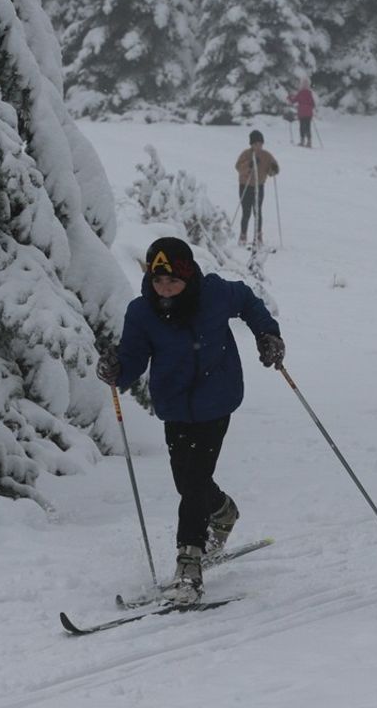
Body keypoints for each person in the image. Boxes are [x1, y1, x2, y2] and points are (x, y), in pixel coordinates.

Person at [96, 237, 285, 604]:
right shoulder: (142, 312)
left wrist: (267, 333)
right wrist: (116, 368)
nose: (165, 289)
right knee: (186, 478)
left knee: (194, 480)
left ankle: (189, 563)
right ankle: (223, 512)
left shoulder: (214, 294)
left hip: (217, 399)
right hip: (175, 406)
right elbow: (133, 358)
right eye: (158, 280)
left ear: (188, 276)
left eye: (173, 281)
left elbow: (246, 299)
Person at [235, 130, 279, 246]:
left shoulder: (266, 155)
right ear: (251, 144)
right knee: (246, 211)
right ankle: (243, 234)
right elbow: (238, 167)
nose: (258, 147)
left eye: (260, 144)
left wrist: (274, 169)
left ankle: (258, 235)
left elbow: (272, 170)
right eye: (256, 144)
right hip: (246, 186)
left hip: (259, 186)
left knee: (257, 211)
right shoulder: (246, 154)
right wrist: (249, 165)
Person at [287, 77, 315, 147]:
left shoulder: (300, 93)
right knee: (308, 127)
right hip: (308, 113)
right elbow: (313, 104)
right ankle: (309, 142)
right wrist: (310, 107)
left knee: (302, 127)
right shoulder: (309, 93)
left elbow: (293, 101)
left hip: (302, 113)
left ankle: (302, 141)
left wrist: (289, 97)